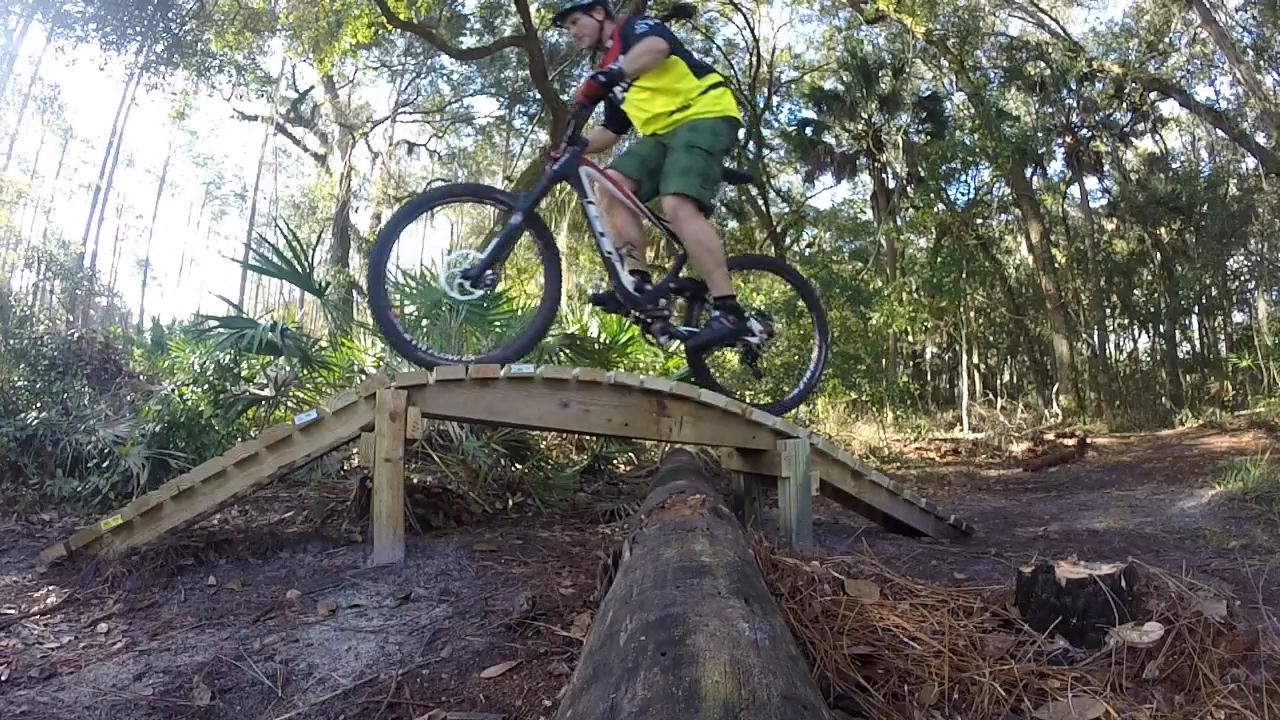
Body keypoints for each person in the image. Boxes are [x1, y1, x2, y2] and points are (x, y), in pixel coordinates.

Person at [551, 0, 748, 352]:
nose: (573, 32)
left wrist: (611, 75)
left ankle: (729, 310)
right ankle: (639, 284)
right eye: (568, 29)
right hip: (660, 135)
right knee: (610, 184)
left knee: (677, 203)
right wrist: (576, 146)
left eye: (576, 21)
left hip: (704, 114)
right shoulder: (611, 69)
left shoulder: (634, 29)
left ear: (599, 13)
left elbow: (658, 49)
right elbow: (611, 130)